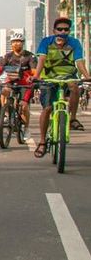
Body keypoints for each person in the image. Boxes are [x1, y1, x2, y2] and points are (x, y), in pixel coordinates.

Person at [33, 17, 91, 157]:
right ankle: (42, 142)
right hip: (49, 78)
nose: (62, 32)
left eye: (66, 29)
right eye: (60, 29)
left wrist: (87, 75)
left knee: (74, 86)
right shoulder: (46, 42)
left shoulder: (74, 43)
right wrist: (37, 75)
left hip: (68, 76)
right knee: (47, 109)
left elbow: (79, 61)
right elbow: (41, 59)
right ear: (54, 31)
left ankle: (72, 119)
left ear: (69, 31)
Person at [0, 32, 35, 140]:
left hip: (25, 85)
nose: (16, 44)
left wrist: (34, 78)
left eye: (18, 41)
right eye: (14, 42)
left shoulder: (30, 56)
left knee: (24, 106)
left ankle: (26, 128)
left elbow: (34, 71)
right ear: (11, 44)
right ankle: (7, 112)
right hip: (12, 82)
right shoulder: (7, 57)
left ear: (23, 43)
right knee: (4, 91)